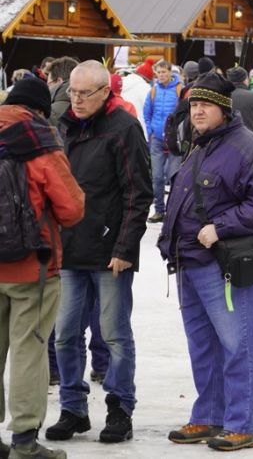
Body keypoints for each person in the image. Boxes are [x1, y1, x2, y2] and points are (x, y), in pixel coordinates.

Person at [157, 72, 253, 451]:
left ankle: (241, 424)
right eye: (194, 104)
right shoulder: (200, 145)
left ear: (224, 110)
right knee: (203, 346)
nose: (197, 111)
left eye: (205, 105)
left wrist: (220, 227)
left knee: (236, 344)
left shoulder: (248, 148)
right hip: (189, 261)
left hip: (223, 262)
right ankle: (208, 416)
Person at [46, 60, 152, 444]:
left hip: (110, 254)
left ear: (106, 92)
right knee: (64, 336)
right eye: (71, 92)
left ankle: (120, 408)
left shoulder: (124, 129)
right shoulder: (64, 128)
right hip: (70, 250)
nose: (75, 100)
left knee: (114, 335)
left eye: (84, 93)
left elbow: (138, 193)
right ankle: (73, 409)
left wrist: (125, 247)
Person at [0, 77, 85, 459]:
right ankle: (24, 442)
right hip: (33, 268)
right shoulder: (40, 142)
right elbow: (71, 208)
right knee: (29, 352)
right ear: (38, 109)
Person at [143, 60, 183, 223]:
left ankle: (173, 211)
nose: (161, 75)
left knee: (173, 176)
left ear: (170, 72)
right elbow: (147, 113)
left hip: (174, 139)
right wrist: (151, 131)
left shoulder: (179, 89)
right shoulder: (153, 91)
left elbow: (183, 112)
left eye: (164, 72)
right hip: (157, 138)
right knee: (157, 177)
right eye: (158, 73)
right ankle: (159, 210)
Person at [46, 57, 79, 130]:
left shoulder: (48, 112)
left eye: (49, 84)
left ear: (59, 81)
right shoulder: (91, 107)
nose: (47, 88)